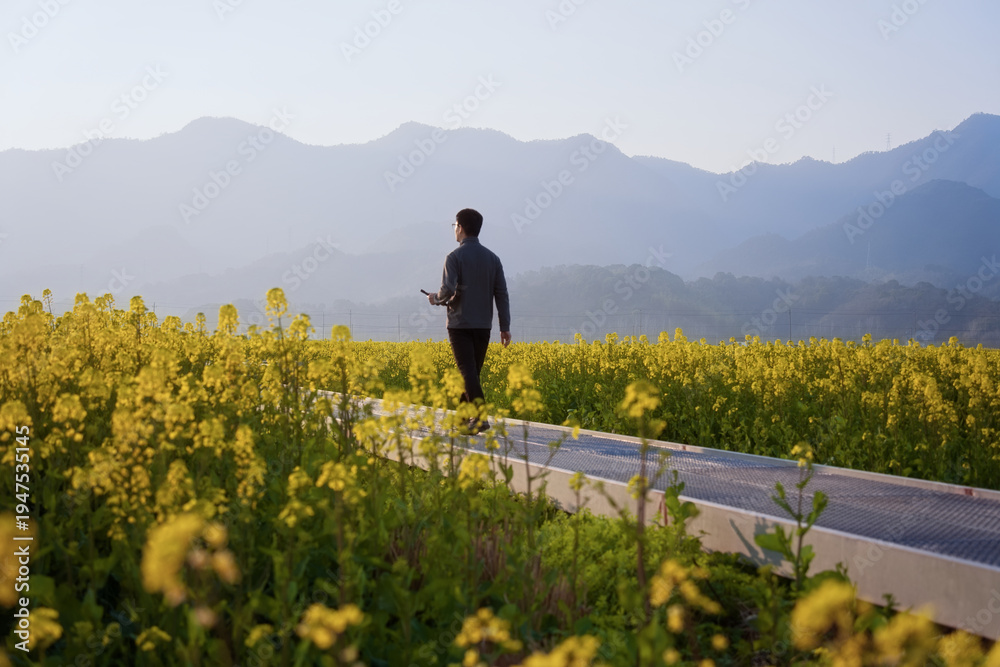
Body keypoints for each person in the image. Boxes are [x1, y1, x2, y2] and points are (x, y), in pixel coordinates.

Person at [428, 208, 511, 433]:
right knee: (470, 372)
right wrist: (505, 327)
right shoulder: (493, 259)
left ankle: (480, 416)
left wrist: (435, 299)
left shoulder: (454, 257)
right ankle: (464, 419)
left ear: (460, 227)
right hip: (484, 324)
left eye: (454, 225)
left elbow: (447, 290)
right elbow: (501, 294)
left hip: (460, 324)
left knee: (467, 372)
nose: (454, 229)